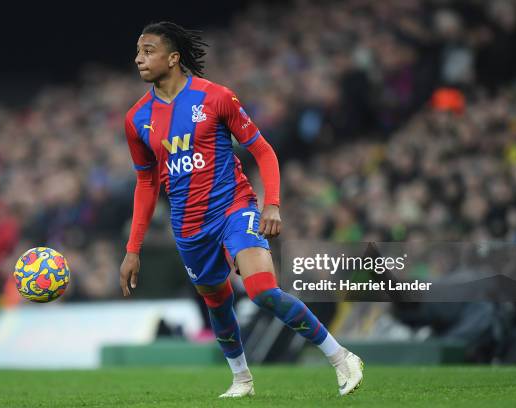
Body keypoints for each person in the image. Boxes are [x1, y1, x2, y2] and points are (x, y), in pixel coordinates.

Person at [119, 21, 363, 398]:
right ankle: (242, 379)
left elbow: (263, 151)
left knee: (263, 290)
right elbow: (147, 184)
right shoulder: (136, 119)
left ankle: (341, 357)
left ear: (173, 57)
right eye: (137, 51)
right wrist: (133, 249)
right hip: (188, 227)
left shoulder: (216, 98)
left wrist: (273, 205)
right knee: (216, 302)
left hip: (234, 208)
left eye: (147, 50)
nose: (139, 58)